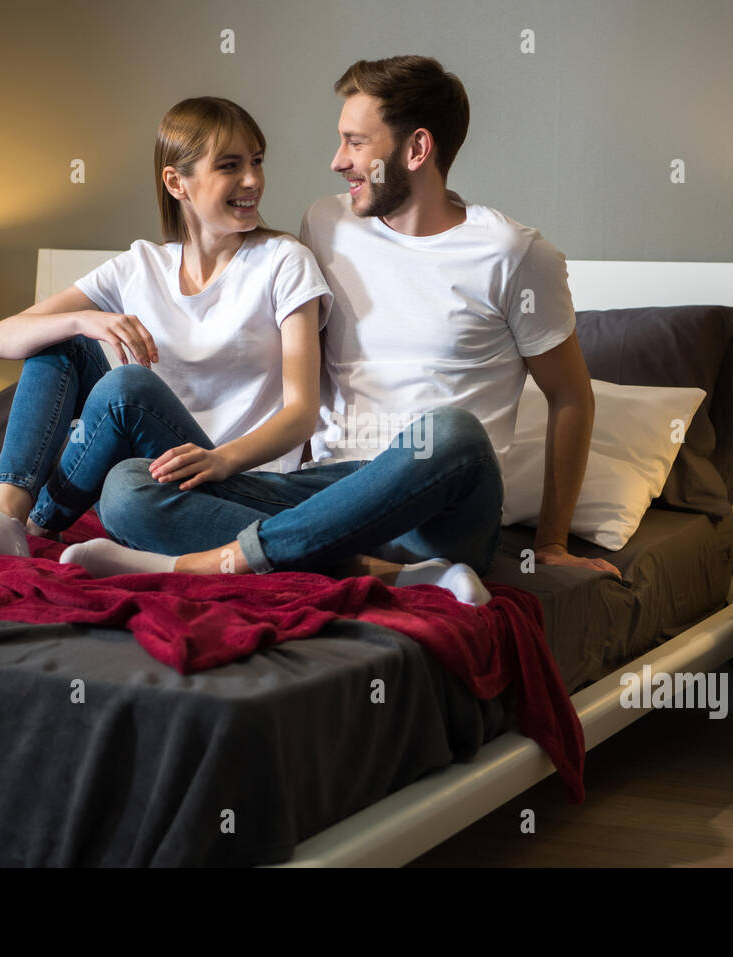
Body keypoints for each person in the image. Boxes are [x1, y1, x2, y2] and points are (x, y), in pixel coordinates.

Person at [58, 56, 621, 600]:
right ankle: (363, 570)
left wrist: (550, 542)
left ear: (417, 148)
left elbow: (570, 396)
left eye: (356, 142)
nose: (337, 161)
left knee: (451, 431)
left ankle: (216, 562)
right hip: (327, 491)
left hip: (438, 514)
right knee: (128, 486)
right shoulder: (326, 224)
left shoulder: (514, 254)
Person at [0, 97, 330, 566]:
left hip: (237, 477)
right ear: (176, 182)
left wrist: (221, 459)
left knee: (127, 387)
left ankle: (31, 523)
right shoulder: (140, 265)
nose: (252, 180)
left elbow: (301, 414)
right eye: (230, 166)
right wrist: (84, 319)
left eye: (257, 161)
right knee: (60, 343)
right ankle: (7, 513)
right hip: (151, 472)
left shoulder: (283, 261)